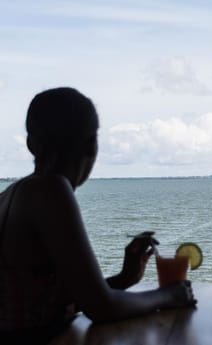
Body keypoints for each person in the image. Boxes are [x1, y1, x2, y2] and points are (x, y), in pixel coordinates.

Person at [0, 87, 196, 344]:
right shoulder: (51, 190)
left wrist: (124, 279)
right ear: (92, 146)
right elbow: (101, 308)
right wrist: (169, 295)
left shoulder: (10, 195)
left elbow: (63, 300)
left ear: (31, 143)